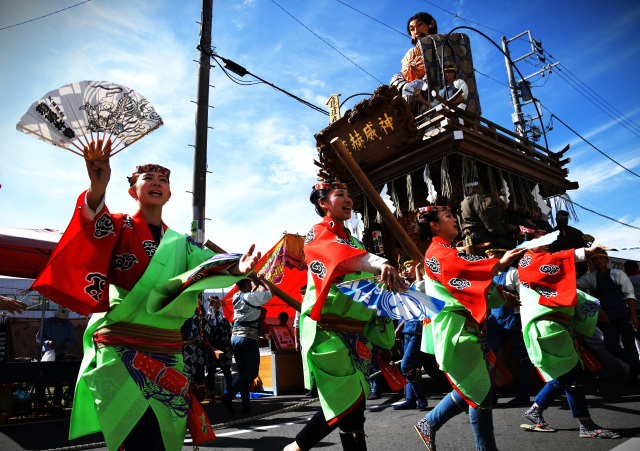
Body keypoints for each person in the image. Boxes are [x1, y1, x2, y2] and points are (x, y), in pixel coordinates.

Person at [32, 159, 260, 450]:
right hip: (121, 347)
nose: (156, 183)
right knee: (136, 429)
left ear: (169, 194)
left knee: (166, 434)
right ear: (132, 191)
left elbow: (209, 267)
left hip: (166, 350)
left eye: (162, 181)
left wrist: (238, 267)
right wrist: (97, 188)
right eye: (147, 178)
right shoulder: (117, 226)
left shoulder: (182, 243)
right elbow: (90, 224)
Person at [284, 180, 403, 451]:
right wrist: (379, 263)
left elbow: (365, 281)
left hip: (356, 333)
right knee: (348, 401)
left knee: (354, 405)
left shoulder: (356, 241)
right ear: (323, 203)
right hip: (328, 332)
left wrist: (392, 283)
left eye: (350, 194)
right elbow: (341, 257)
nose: (348, 199)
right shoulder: (317, 235)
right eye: (340, 195)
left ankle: (298, 447)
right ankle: (298, 446)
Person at [414, 205, 526, 451]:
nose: (454, 220)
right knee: (480, 393)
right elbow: (466, 271)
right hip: (457, 330)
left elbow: (463, 286)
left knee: (476, 389)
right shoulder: (438, 253)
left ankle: (429, 423)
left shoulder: (444, 252)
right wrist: (498, 263)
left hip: (463, 327)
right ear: (434, 225)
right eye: (448, 217)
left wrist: (500, 296)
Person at [518, 237, 620, 439]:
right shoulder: (528, 262)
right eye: (541, 240)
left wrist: (594, 308)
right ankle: (586, 425)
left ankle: (536, 410)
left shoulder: (540, 270)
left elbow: (570, 292)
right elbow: (555, 261)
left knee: (564, 373)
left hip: (553, 326)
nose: (547, 243)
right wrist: (587, 251)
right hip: (548, 326)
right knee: (574, 376)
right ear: (526, 246)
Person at [576, 251, 639, 384]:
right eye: (595, 259)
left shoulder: (618, 274)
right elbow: (576, 285)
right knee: (610, 345)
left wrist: (633, 315)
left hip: (624, 315)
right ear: (592, 262)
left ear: (607, 260)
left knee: (630, 346)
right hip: (608, 318)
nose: (598, 261)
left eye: (601, 258)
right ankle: (637, 366)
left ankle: (633, 378)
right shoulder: (591, 278)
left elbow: (630, 296)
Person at [484, 247, 532, 406]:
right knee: (487, 353)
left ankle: (524, 395)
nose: (490, 256)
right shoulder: (489, 275)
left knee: (522, 356)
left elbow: (525, 298)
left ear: (502, 255)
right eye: (488, 254)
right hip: (495, 321)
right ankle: (491, 393)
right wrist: (485, 321)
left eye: (493, 253)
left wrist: (525, 324)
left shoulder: (514, 273)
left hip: (514, 318)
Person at [221, 276, 273, 414]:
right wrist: (264, 281)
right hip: (248, 337)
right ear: (248, 285)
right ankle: (228, 395)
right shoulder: (252, 296)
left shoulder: (236, 297)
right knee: (252, 372)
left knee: (243, 373)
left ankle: (246, 405)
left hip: (235, 337)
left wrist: (254, 284)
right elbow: (269, 294)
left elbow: (250, 296)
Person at [394, 260, 429, 411]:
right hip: (407, 330)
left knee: (406, 365)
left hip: (417, 329)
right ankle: (410, 399)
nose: (405, 269)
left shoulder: (423, 284)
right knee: (412, 367)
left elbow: (418, 302)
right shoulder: (407, 287)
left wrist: (399, 327)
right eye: (404, 267)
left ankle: (421, 398)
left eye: (409, 266)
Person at [36, 305, 77, 407]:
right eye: (59, 318)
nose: (60, 321)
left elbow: (72, 339)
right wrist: (47, 342)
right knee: (42, 379)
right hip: (46, 353)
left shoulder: (68, 325)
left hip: (60, 354)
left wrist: (65, 344)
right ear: (55, 316)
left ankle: (57, 403)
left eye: (63, 319)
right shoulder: (47, 322)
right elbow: (38, 338)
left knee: (58, 379)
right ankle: (41, 402)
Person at [460, 182, 514, 250]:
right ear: (477, 187)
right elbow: (491, 219)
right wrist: (495, 200)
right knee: (509, 243)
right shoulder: (479, 198)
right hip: (481, 236)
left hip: (468, 236)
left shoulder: (462, 201)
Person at [204, 295, 233, 399]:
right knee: (211, 372)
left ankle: (228, 393)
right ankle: (211, 393)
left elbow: (229, 333)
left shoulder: (223, 318)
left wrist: (230, 348)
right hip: (212, 348)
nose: (218, 305)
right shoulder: (206, 318)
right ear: (210, 305)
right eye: (216, 303)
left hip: (224, 347)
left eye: (219, 303)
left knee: (227, 371)